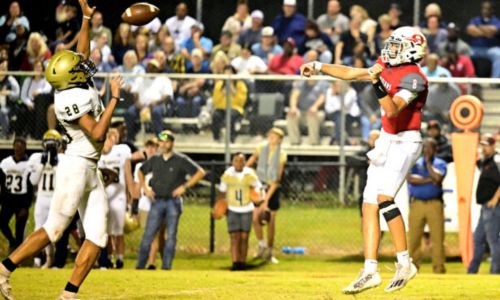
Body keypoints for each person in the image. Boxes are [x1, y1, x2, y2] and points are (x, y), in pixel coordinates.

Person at [0, 0, 125, 298]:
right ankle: (3, 270)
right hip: (76, 166)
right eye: (78, 68)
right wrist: (113, 100)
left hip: (89, 168)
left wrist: (85, 18)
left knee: (97, 235)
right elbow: (96, 132)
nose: (83, 65)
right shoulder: (70, 99)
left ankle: (68, 294)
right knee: (54, 229)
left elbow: (81, 52)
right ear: (70, 77)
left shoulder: (71, 82)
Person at [301, 26, 428, 293]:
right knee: (369, 202)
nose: (390, 50)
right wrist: (318, 66)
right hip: (386, 139)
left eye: (397, 45)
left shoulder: (415, 77)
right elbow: (350, 73)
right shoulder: (386, 65)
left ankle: (404, 263)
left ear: (412, 49)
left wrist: (376, 83)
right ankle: (370, 269)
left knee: (384, 197)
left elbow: (392, 110)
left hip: (406, 141)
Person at [136, 130, 205, 270]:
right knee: (148, 235)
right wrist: (145, 188)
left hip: (173, 202)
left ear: (172, 143)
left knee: (171, 235)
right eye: (161, 141)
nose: (163, 144)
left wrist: (184, 187)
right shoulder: (155, 159)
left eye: (166, 141)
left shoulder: (181, 159)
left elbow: (200, 172)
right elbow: (141, 171)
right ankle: (140, 266)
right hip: (157, 201)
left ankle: (166, 267)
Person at [246, 127, 287, 264]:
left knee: (270, 220)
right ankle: (261, 245)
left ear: (280, 140)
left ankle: (269, 251)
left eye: (275, 136)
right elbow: (249, 163)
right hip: (259, 187)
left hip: (271, 188)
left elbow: (277, 179)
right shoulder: (261, 148)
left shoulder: (281, 154)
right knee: (255, 217)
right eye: (270, 135)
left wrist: (266, 199)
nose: (271, 138)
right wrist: (247, 172)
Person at [216, 153, 263, 271]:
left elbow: (258, 188)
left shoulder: (250, 174)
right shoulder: (228, 174)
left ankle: (242, 262)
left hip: (246, 208)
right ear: (233, 162)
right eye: (236, 160)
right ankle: (235, 262)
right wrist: (219, 205)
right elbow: (222, 191)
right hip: (232, 208)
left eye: (241, 161)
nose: (238, 163)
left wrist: (258, 197)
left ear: (245, 162)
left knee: (244, 237)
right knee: (234, 237)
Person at [407, 138, 447, 274]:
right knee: (413, 238)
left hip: (434, 204)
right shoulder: (415, 163)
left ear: (435, 149)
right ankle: (412, 268)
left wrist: (429, 164)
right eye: (424, 147)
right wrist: (430, 180)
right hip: (417, 203)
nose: (426, 150)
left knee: (437, 238)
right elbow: (411, 179)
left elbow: (438, 178)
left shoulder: (440, 163)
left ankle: (438, 268)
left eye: (429, 147)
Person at [27, 130, 64, 268]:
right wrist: (42, 164)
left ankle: (50, 259)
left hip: (56, 197)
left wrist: (54, 165)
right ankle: (37, 260)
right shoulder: (37, 158)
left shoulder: (62, 159)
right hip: (42, 197)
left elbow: (62, 181)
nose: (50, 147)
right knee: (39, 229)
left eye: (53, 144)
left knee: (54, 230)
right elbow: (33, 180)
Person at [98, 128, 132, 269]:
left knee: (118, 231)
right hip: (103, 196)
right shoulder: (99, 155)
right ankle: (109, 257)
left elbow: (127, 174)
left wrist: (130, 194)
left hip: (118, 196)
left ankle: (120, 258)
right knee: (107, 231)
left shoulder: (122, 151)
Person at [467, 134, 500, 274]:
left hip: (493, 207)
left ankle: (495, 272)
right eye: (482, 145)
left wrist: (495, 199)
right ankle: (472, 272)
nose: (483, 148)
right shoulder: (485, 161)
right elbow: (473, 161)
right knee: (478, 239)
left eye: (486, 145)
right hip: (485, 207)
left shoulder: (497, 160)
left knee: (493, 241)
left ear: (493, 145)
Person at [128, 138, 162, 269]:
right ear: (145, 149)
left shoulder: (161, 165)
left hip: (158, 203)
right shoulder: (139, 166)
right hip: (144, 204)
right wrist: (134, 207)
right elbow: (137, 188)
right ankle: (146, 261)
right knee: (148, 234)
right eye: (149, 147)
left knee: (154, 234)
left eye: (154, 147)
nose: (151, 149)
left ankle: (152, 262)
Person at [125, 58, 174, 141]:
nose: (151, 69)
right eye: (149, 67)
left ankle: (160, 138)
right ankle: (130, 138)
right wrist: (137, 103)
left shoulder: (164, 79)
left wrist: (157, 101)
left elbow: (167, 95)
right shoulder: (141, 79)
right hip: (141, 105)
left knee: (156, 112)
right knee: (129, 113)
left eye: (153, 67)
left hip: (158, 104)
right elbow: (135, 93)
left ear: (157, 69)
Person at [0, 137, 32, 252]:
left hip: (21, 199)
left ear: (25, 148)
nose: (18, 149)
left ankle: (16, 257)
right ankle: (12, 242)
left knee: (20, 229)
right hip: (8, 198)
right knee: (2, 223)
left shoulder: (29, 164)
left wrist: (25, 206)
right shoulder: (5, 162)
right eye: (17, 146)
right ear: (13, 146)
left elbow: (30, 187)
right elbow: (2, 182)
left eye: (21, 147)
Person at [211, 65, 248, 143]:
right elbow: (215, 101)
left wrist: (234, 91)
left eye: (230, 73)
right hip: (221, 108)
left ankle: (231, 138)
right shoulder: (219, 85)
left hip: (236, 108)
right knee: (215, 115)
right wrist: (223, 93)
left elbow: (242, 102)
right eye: (226, 73)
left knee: (230, 115)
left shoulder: (240, 85)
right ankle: (216, 137)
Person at [286, 79, 328, 145]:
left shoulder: (323, 83)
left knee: (312, 115)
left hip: (318, 111)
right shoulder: (300, 83)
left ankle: (314, 142)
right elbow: (294, 95)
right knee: (291, 115)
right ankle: (295, 142)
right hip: (302, 111)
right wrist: (293, 107)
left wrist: (315, 107)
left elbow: (323, 97)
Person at [466, 1, 500, 78]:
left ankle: (494, 82)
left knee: (499, 55)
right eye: (484, 9)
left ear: (492, 10)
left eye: (488, 9)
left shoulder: (496, 21)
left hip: (491, 48)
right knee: (465, 54)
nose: (485, 11)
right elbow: (470, 30)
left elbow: (493, 30)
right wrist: (486, 33)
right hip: (475, 48)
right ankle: (471, 80)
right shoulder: (475, 19)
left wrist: (478, 28)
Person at [19, 60, 52, 138]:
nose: (37, 69)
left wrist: (38, 91)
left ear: (42, 69)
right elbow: (23, 95)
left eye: (39, 67)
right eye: (36, 67)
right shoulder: (28, 80)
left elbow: (48, 89)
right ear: (33, 68)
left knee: (40, 102)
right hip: (29, 102)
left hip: (41, 103)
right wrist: (29, 103)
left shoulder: (45, 79)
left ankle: (38, 134)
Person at [324, 80, 361, 145]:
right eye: (337, 84)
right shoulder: (329, 91)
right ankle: (344, 139)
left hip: (349, 115)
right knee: (339, 115)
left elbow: (344, 105)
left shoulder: (351, 92)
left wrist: (341, 93)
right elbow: (328, 108)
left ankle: (337, 138)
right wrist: (334, 94)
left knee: (340, 117)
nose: (339, 86)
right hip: (333, 113)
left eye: (340, 84)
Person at [0, 55, 20, 138]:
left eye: (5, 68)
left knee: (3, 112)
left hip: (10, 108)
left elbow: (17, 95)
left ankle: (4, 136)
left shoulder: (11, 80)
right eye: (1, 68)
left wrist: (9, 93)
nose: (3, 70)